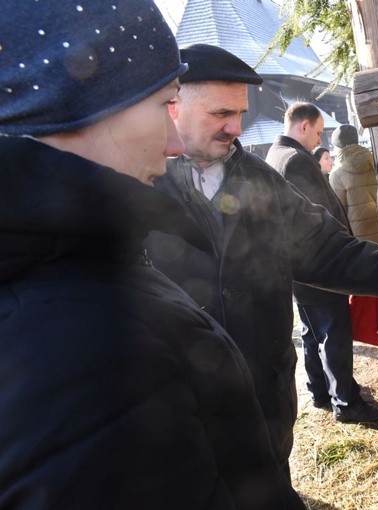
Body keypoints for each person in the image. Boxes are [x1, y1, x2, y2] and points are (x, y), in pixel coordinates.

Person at [0, 2, 304, 508]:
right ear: (81, 106)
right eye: (162, 103)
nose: (171, 143)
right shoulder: (78, 346)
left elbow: (322, 247)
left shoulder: (78, 261)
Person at [144, 44, 378, 481]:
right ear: (173, 104)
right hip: (176, 408)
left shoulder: (261, 180)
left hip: (263, 397)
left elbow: (329, 253)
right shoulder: (136, 185)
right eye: (221, 113)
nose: (235, 128)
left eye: (240, 113)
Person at [266, 103, 378, 424]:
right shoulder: (295, 161)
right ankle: (345, 402)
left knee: (312, 331)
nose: (318, 139)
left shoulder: (274, 156)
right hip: (319, 264)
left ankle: (320, 390)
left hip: (300, 269)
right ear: (303, 126)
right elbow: (315, 218)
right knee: (334, 333)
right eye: (318, 132)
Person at [329, 124, 378, 383]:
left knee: (373, 301)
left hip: (361, 244)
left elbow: (339, 214)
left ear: (337, 146)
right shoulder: (375, 162)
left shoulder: (337, 174)